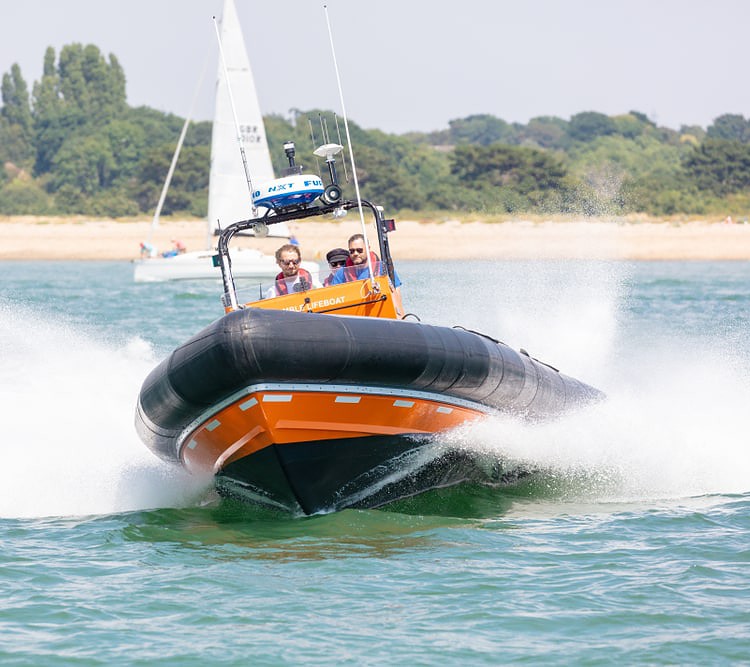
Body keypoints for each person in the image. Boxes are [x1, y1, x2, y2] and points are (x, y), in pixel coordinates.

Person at [329, 233, 404, 316]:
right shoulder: (341, 273)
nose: (355, 253)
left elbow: (397, 296)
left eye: (359, 250)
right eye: (352, 251)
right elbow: (333, 299)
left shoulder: (383, 269)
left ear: (368, 249)